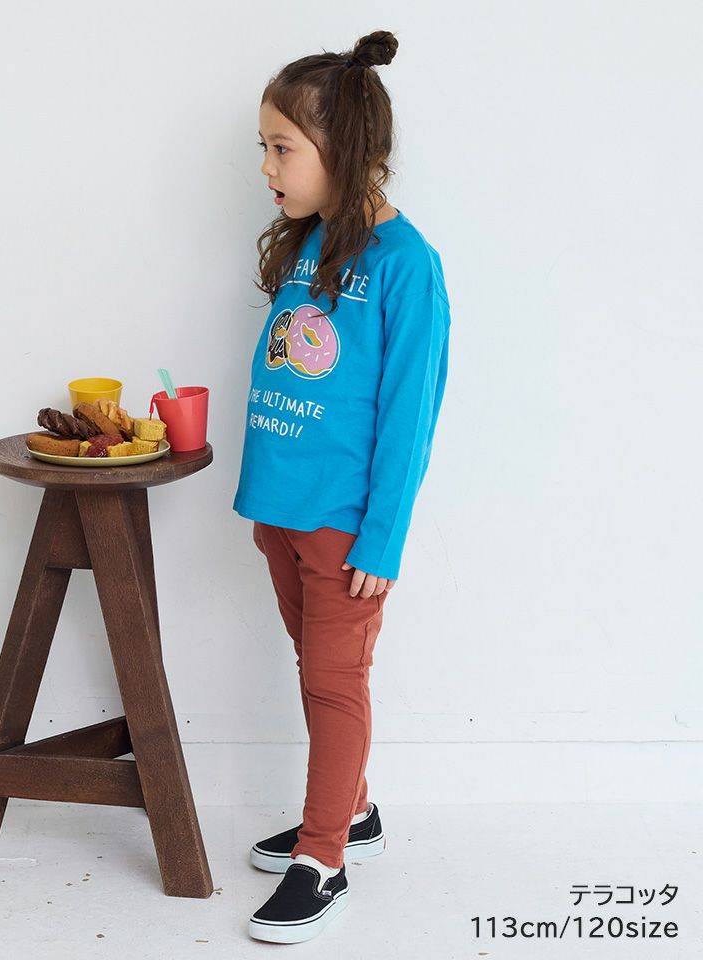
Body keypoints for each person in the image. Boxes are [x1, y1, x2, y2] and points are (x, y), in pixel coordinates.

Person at [232, 29, 452, 944]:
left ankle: (324, 858)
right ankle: (352, 810)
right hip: (280, 511)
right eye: (265, 147)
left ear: (345, 147)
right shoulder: (315, 243)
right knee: (316, 671)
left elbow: (410, 415)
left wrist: (383, 539)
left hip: (343, 527)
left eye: (282, 148)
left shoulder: (407, 266)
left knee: (333, 684)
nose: (267, 167)